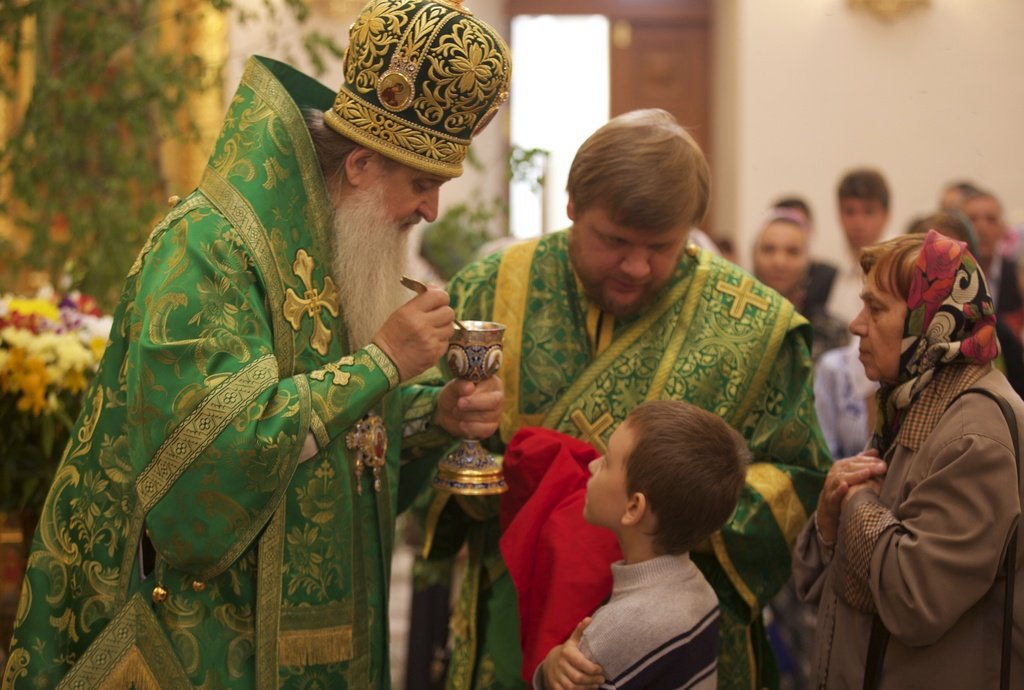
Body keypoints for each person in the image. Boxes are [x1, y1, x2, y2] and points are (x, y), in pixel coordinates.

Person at [1, 1, 510, 687]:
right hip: (203, 636)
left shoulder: (338, 244)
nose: (430, 211)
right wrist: (384, 360)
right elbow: (208, 456)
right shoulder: (209, 248)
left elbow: (345, 439)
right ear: (360, 164)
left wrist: (433, 417)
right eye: (422, 184)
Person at [418, 109, 831, 690]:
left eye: (662, 246)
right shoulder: (490, 288)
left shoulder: (756, 328)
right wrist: (454, 433)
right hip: (518, 615)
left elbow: (797, 478)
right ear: (571, 208)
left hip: (675, 636)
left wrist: (670, 515)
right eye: (614, 241)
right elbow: (420, 434)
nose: (636, 267)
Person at [793, 230, 1024, 688]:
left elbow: (916, 600)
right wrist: (828, 513)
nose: (857, 324)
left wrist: (855, 501)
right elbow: (830, 589)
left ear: (933, 320)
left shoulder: (975, 434)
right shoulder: (913, 401)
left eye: (876, 308)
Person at [533, 400, 748, 690]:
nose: (593, 464)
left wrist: (551, 668)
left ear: (634, 507)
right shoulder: (703, 594)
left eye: (607, 461)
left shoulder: (608, 636)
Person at [751, 207, 848, 360]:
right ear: (754, 256)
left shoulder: (831, 333)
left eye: (792, 252)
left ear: (808, 261)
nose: (779, 262)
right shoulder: (732, 323)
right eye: (769, 250)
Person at [827, 168, 892, 324]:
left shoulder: (897, 270)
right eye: (849, 212)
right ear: (839, 215)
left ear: (885, 215)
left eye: (868, 212)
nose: (858, 222)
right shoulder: (838, 273)